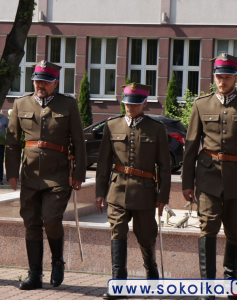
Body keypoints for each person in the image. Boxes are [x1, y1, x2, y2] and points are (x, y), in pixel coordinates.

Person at [182, 54, 237, 300]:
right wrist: (187, 183)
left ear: (236, 78)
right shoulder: (201, 105)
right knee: (207, 228)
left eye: (227, 77)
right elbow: (190, 148)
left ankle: (231, 281)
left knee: (235, 231)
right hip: (208, 178)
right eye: (219, 76)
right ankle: (207, 286)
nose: (222, 81)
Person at [5, 61, 87, 290]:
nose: (40, 84)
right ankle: (34, 274)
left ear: (55, 82)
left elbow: (79, 142)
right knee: (31, 222)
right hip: (30, 173)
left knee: (51, 219)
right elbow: (12, 142)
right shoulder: (21, 103)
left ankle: (57, 261)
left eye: (45, 81)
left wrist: (79, 172)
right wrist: (11, 172)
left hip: (58, 174)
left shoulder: (68, 104)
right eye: (37, 80)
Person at [95, 83, 171, 299]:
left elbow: (165, 166)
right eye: (127, 103)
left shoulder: (156, 129)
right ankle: (119, 284)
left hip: (145, 192)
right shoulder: (112, 125)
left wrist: (163, 196)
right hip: (117, 189)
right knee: (117, 233)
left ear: (144, 103)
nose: (130, 107)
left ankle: (151, 270)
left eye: (135, 103)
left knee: (146, 236)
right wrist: (100, 192)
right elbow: (103, 163)